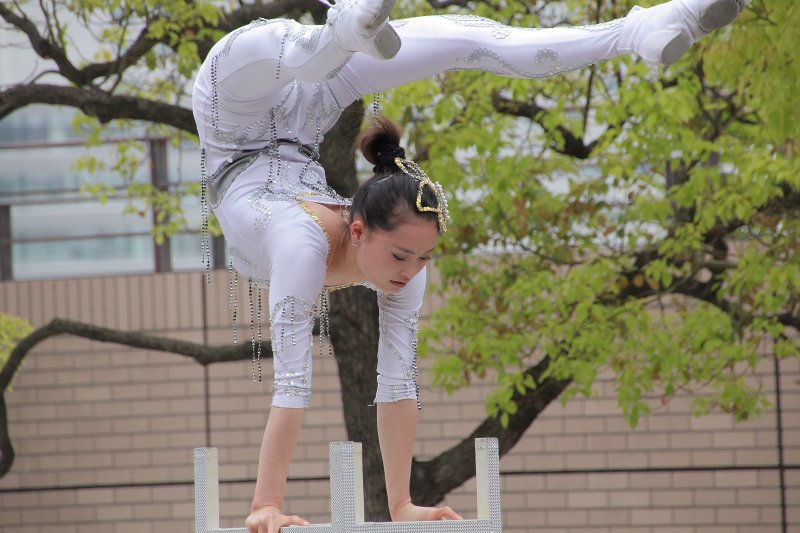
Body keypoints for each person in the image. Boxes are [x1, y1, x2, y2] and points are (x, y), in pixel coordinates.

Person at [190, 1, 744, 532]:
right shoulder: (300, 244)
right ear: (358, 230)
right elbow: (291, 382)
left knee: (467, 40)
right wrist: (266, 504)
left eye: (423, 258)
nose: (410, 271)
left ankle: (638, 30)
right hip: (234, 102)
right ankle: (343, 29)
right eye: (401, 255)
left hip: (299, 114)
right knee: (302, 49)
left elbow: (397, 380)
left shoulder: (402, 271)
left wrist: (402, 504)